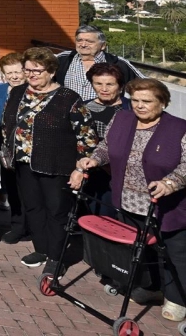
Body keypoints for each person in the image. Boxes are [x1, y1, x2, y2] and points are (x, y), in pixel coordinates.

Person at [72, 79, 186, 323]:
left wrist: (170, 183)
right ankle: (150, 287)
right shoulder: (121, 119)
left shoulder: (180, 128)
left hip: (166, 206)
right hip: (127, 200)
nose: (139, 106)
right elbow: (106, 147)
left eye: (147, 101)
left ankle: (177, 298)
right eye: (135, 100)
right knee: (139, 249)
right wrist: (95, 159)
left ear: (163, 102)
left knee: (173, 253)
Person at [0, 46, 98, 276]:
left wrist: (79, 168)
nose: (31, 75)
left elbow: (86, 136)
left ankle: (56, 257)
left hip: (57, 166)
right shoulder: (17, 92)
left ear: (52, 71)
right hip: (24, 164)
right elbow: (8, 123)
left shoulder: (68, 98)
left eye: (37, 70)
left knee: (56, 213)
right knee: (33, 208)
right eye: (28, 70)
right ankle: (41, 249)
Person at [80, 62, 132, 217]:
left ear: (120, 86)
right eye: (98, 83)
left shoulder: (131, 109)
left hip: (118, 173)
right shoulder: (83, 108)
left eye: (110, 84)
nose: (104, 89)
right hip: (88, 170)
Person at [0, 52, 30, 243]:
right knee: (12, 189)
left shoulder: (31, 91)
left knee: (28, 191)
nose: (14, 76)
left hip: (27, 148)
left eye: (18, 71)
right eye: (9, 73)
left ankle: (29, 226)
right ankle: (17, 226)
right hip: (6, 149)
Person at [55, 25, 143, 101]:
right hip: (70, 116)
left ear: (103, 45)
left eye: (89, 41)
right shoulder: (63, 59)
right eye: (79, 40)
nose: (83, 44)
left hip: (105, 116)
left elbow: (146, 84)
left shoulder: (118, 63)